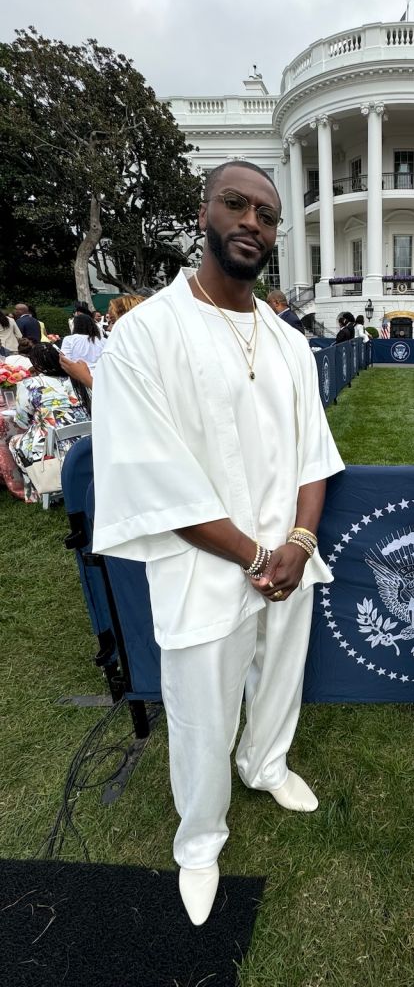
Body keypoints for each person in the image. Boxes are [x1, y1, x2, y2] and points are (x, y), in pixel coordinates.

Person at [91, 160, 344, 927]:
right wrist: (255, 556)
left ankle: (266, 763)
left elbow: (314, 454)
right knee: (200, 709)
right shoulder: (145, 334)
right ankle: (200, 838)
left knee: (278, 682)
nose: (252, 223)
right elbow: (153, 478)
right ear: (202, 212)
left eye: (266, 215)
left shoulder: (289, 341)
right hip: (205, 566)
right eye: (236, 204)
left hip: (288, 560)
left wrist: (296, 545)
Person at [8, 343, 90, 503]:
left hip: (53, 449)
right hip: (88, 441)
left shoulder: (30, 384)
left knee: (14, 442)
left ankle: (39, 491)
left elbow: (22, 422)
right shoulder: (78, 378)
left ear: (36, 364)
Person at [60, 295, 145, 389]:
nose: (110, 326)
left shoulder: (133, 347)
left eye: (113, 321)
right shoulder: (112, 341)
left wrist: (83, 376)